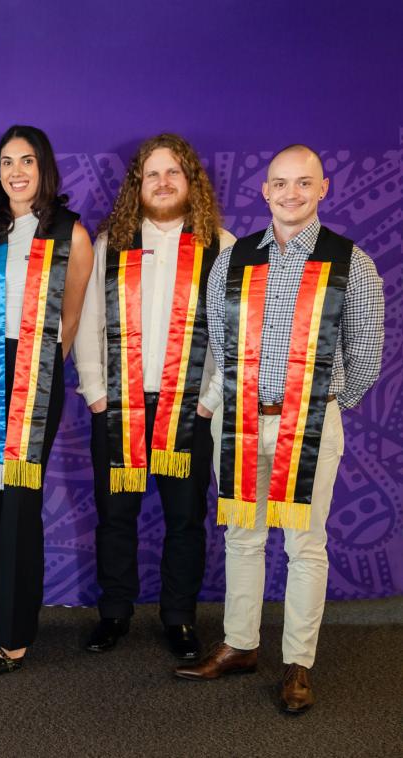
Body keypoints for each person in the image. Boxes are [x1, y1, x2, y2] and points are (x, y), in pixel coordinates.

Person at [175, 145, 383, 714]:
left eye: (304, 183)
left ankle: (298, 664)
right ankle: (240, 645)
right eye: (280, 183)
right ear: (264, 191)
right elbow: (220, 338)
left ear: (324, 188)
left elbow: (365, 353)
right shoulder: (235, 257)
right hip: (243, 422)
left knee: (304, 545)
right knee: (243, 536)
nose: (291, 193)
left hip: (311, 423)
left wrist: (327, 406)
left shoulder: (349, 261)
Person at [73, 134, 235, 660]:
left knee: (185, 519)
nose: (163, 183)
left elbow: (236, 334)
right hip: (120, 403)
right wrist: (96, 392)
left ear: (191, 181)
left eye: (173, 173)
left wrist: (210, 398)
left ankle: (180, 618)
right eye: (152, 175)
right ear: (137, 186)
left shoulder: (222, 246)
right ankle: (115, 612)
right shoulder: (111, 244)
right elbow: (87, 323)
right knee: (115, 514)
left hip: (189, 405)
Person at [0, 125, 93, 675]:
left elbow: (72, 319)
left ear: (45, 169)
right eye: (7, 162)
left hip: (34, 375)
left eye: (28, 161)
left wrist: (36, 374)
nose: (16, 172)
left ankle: (16, 634)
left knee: (18, 503)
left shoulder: (71, 234)